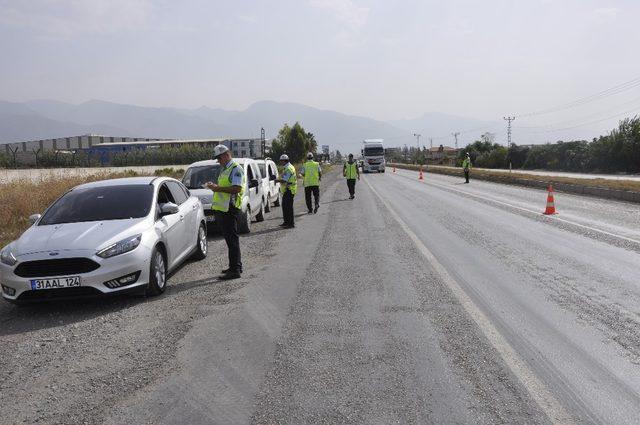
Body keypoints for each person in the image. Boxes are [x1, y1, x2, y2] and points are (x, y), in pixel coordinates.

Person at [206, 145, 245, 280]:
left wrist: (217, 188)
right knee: (230, 240)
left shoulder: (235, 169)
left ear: (225, 155)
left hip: (230, 209)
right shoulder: (225, 169)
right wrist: (216, 187)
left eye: (219, 158)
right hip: (224, 209)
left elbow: (237, 189)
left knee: (232, 240)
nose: (218, 161)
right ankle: (235, 266)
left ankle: (235, 270)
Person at [277, 154, 297, 228]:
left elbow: (284, 180)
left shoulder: (288, 168)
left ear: (285, 161)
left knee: (288, 207)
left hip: (289, 190)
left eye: (281, 161)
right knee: (285, 206)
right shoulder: (288, 167)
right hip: (287, 190)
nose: (280, 162)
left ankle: (291, 224)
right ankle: (286, 222)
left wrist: (277, 180)